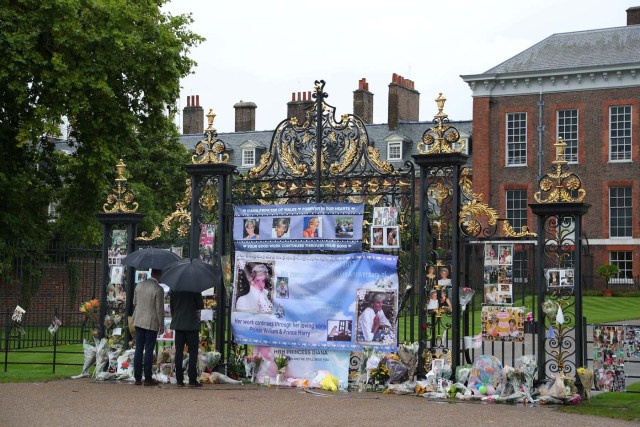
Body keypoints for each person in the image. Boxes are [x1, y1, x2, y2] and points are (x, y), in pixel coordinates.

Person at [133, 268, 165, 386]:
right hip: (151, 322)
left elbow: (134, 303)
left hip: (139, 320)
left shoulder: (139, 285)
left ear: (151, 274)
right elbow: (159, 309)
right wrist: (161, 325)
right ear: (159, 275)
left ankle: (137, 377)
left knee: (139, 349)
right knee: (149, 349)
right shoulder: (158, 289)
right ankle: (147, 377)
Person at [170, 290, 204, 387]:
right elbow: (200, 305)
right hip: (191, 324)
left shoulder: (175, 290)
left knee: (179, 352)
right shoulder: (194, 289)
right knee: (193, 352)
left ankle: (179, 380)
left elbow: (172, 306)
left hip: (179, 323)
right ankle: (192, 379)